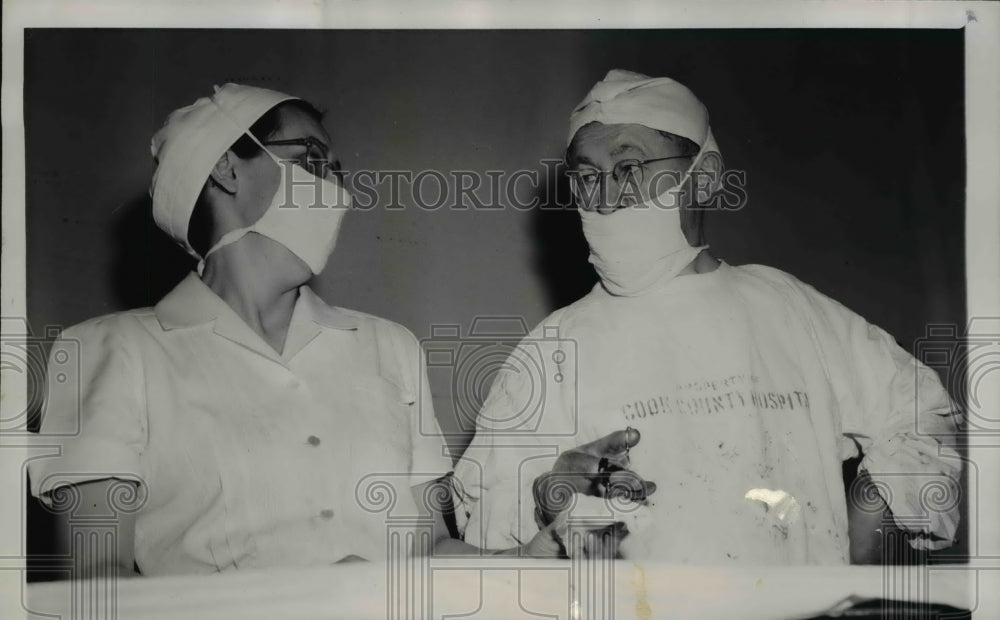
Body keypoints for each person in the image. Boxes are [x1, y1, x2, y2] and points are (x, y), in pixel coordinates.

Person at [455, 69, 963, 564]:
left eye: (629, 168)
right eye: (587, 178)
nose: (605, 198)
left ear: (704, 177)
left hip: (806, 619)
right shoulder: (553, 350)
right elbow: (493, 535)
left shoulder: (787, 307)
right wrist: (548, 500)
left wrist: (864, 542)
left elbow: (916, 411)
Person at [28, 83, 482, 577]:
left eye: (336, 171)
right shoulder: (111, 350)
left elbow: (433, 549)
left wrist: (525, 563)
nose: (335, 189)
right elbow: (97, 581)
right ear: (226, 167)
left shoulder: (389, 345)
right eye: (311, 158)